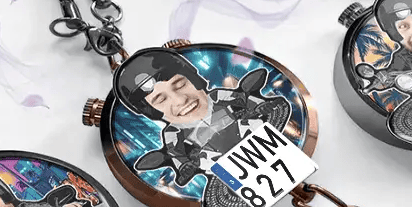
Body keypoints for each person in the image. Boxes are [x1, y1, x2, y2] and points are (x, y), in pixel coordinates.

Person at [114, 49, 292, 187]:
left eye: (180, 84)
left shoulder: (217, 96)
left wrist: (256, 106)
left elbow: (241, 98)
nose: (181, 100)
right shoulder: (172, 133)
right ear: (151, 111)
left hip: (252, 133)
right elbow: (176, 153)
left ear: (194, 79)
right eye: (160, 100)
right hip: (216, 159)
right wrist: (184, 165)